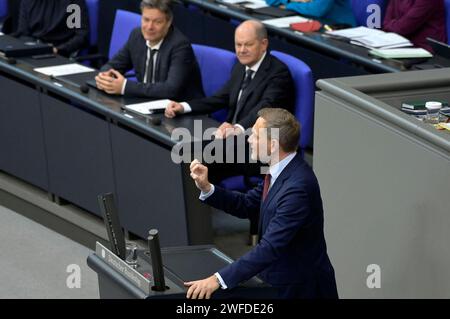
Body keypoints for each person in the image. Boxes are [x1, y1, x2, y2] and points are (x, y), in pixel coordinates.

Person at [185, 108, 338, 299]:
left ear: (273, 145)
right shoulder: (277, 170)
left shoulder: (297, 188)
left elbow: (270, 247)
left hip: (300, 290)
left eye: (255, 136)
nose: (249, 140)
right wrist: (207, 187)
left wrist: (217, 279)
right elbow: (248, 204)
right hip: (277, 280)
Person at [165, 20, 295, 138]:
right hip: (232, 138)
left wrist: (237, 128)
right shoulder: (240, 66)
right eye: (238, 45)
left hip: (259, 142)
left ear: (263, 44)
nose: (242, 50)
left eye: (248, 44)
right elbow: (220, 98)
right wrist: (183, 106)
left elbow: (264, 110)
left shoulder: (278, 73)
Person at [95, 0, 204, 100]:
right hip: (147, 103)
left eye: (157, 22)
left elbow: (170, 90)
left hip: (187, 114)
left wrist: (124, 86)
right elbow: (113, 65)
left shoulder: (180, 46)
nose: (149, 27)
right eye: (146, 20)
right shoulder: (136, 36)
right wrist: (105, 77)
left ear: (168, 22)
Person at [11, 0, 89, 57]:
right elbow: (23, 33)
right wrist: (34, 47)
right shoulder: (28, 2)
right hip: (34, 48)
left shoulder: (73, 3)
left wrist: (59, 49)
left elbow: (81, 35)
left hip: (60, 51)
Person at [383, 0, 447, 52]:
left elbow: (402, 28)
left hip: (423, 49)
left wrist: (391, 25)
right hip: (397, 42)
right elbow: (386, 22)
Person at [265, 0, 356, 27]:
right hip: (307, 22)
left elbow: (316, 10)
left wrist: (288, 5)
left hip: (338, 27)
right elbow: (271, 1)